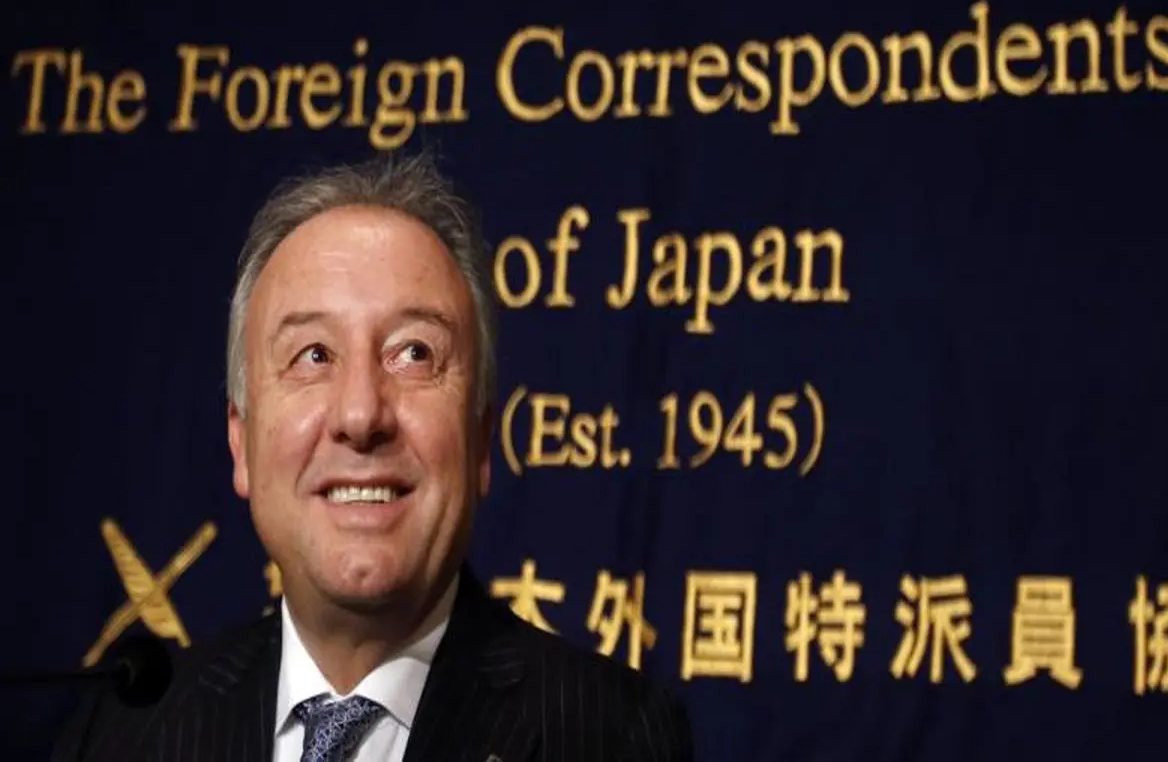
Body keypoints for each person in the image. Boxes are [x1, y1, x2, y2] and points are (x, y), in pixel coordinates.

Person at [52, 150, 693, 762]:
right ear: (240, 443)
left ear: (481, 441)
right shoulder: (123, 737)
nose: (361, 416)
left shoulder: (608, 738)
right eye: (314, 356)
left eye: (414, 354)